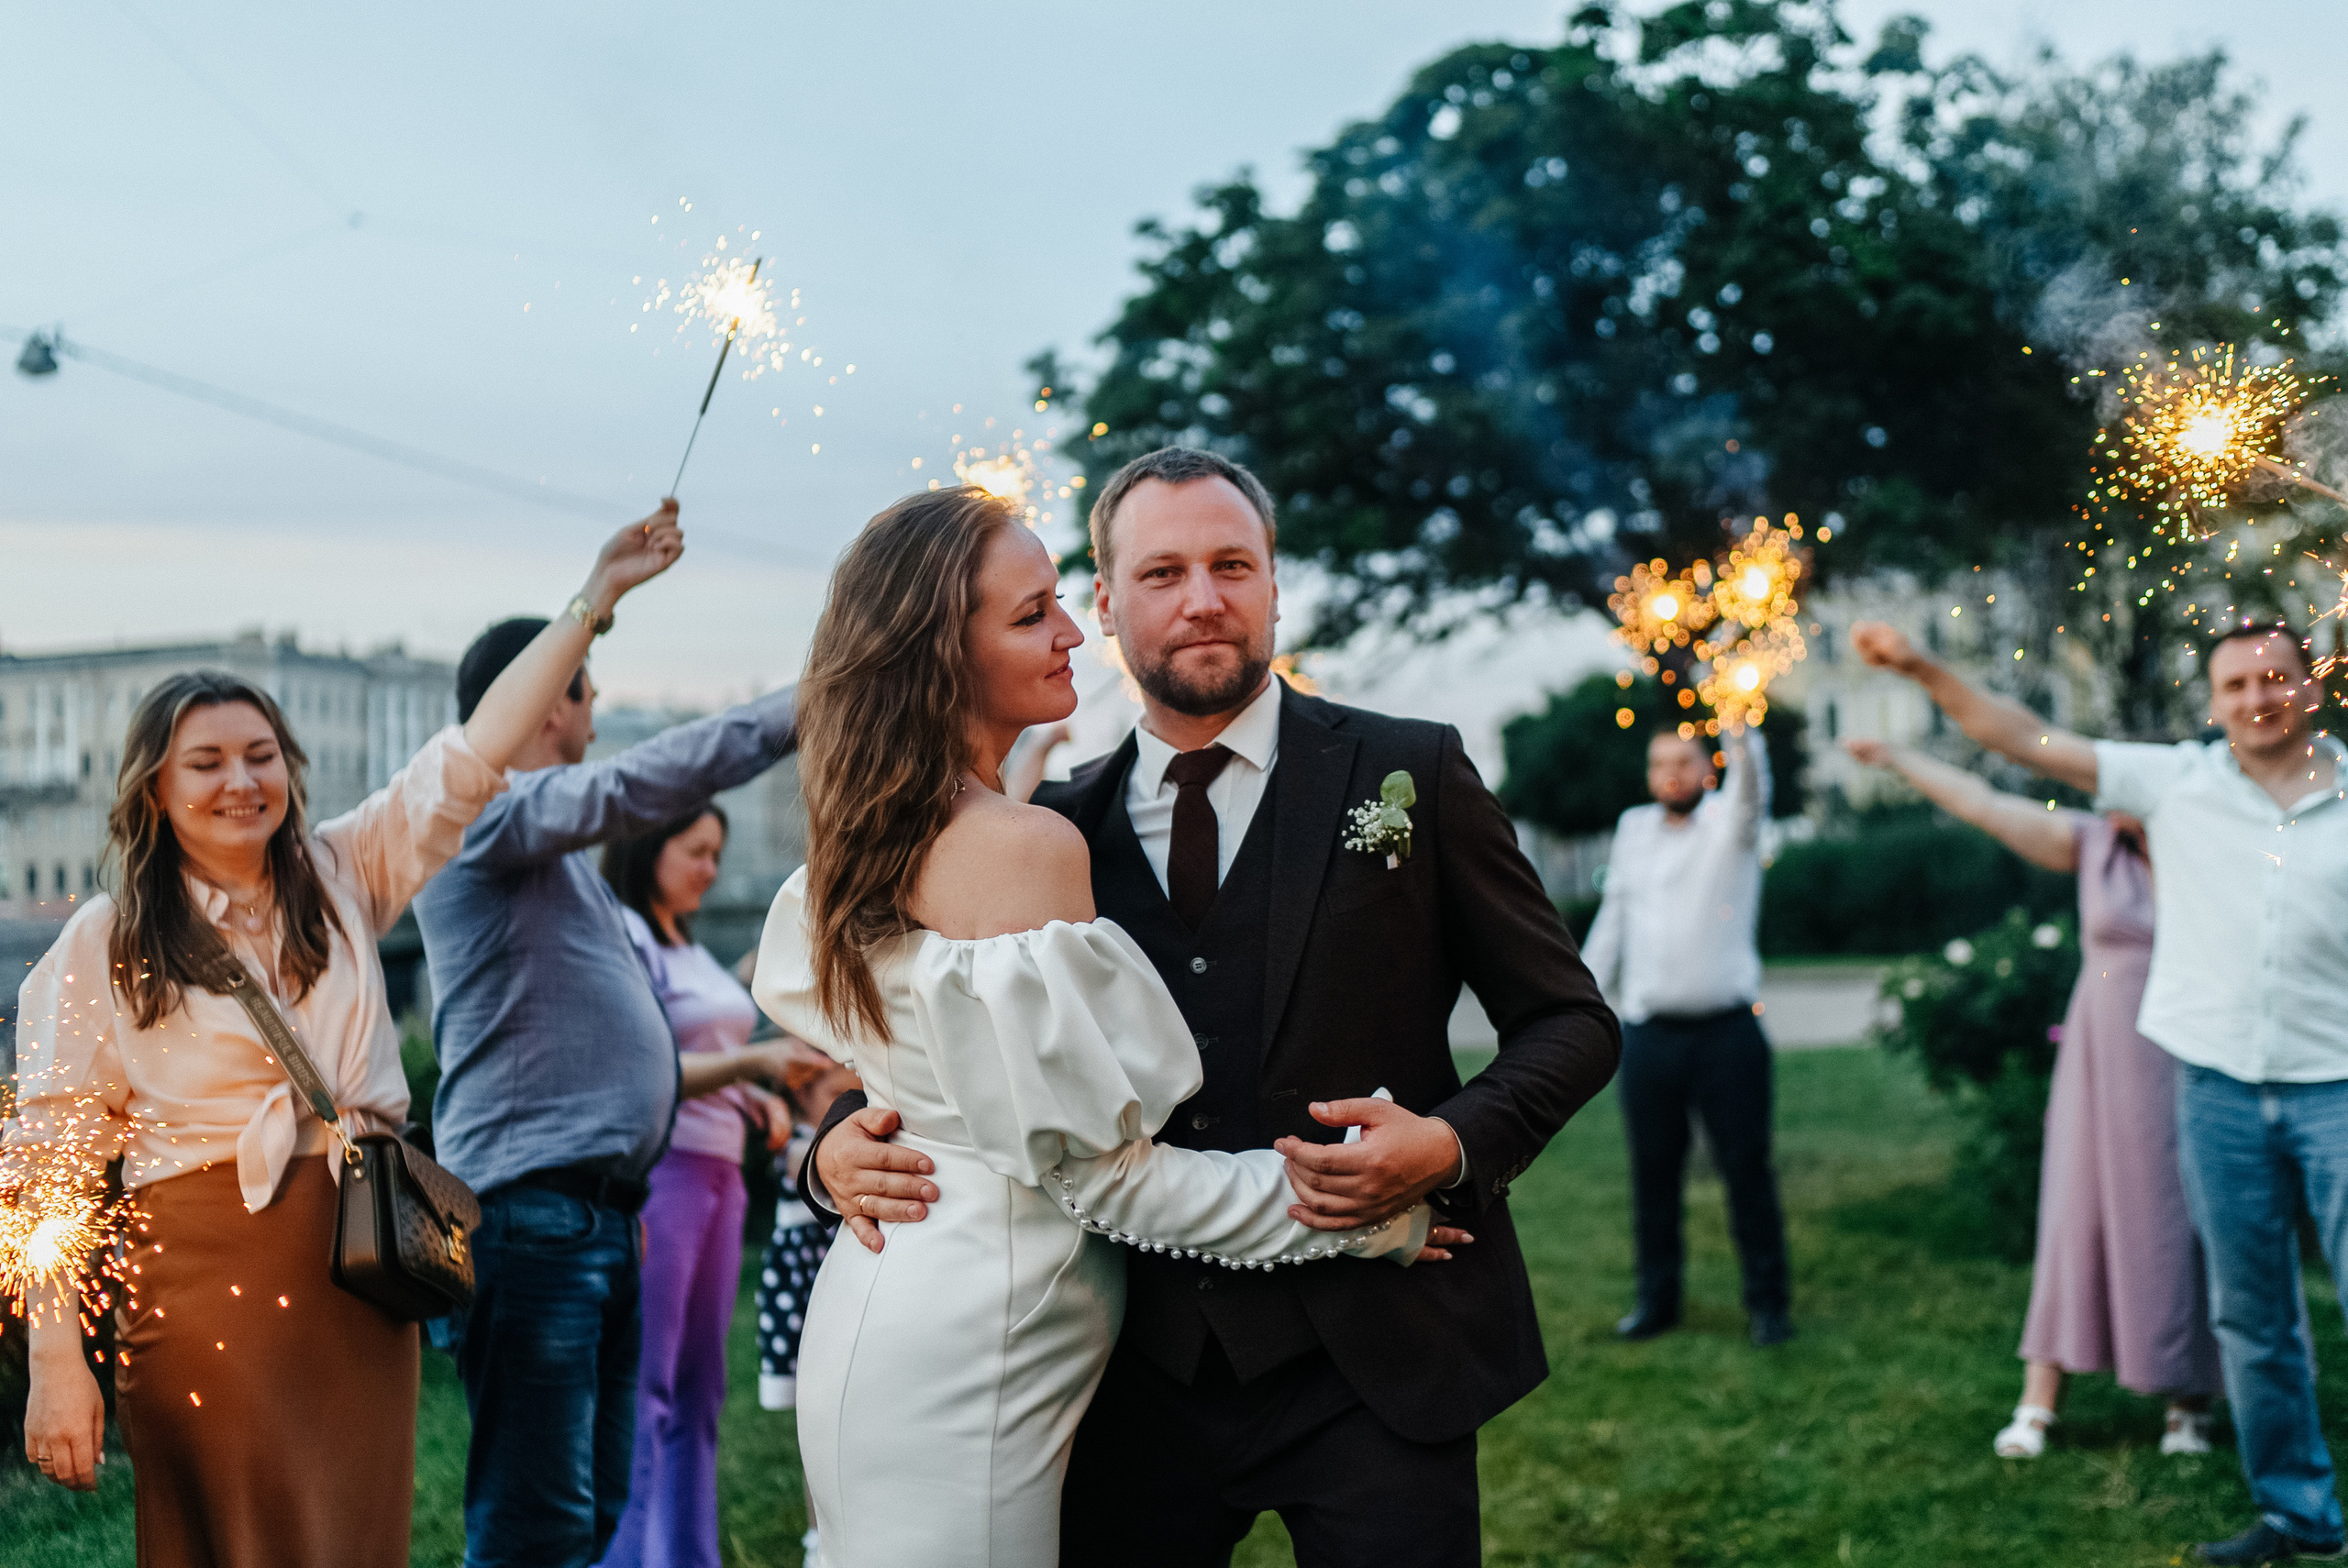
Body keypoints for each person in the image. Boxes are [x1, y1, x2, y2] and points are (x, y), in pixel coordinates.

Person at [803, 448, 1622, 1566]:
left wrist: (1447, 1146)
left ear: (1275, 584)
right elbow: (934, 1053)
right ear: (1105, 602)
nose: (1202, 599)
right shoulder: (1047, 828)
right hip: (1128, 1377)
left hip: (1380, 1366)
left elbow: (1571, 1021)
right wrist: (832, 1150)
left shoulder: (1408, 772)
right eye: (1162, 572)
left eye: (1232, 565)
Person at [8, 508, 685, 1566]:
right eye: (207, 763)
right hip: (198, 1286)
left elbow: (476, 750)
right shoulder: (107, 940)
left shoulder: (344, 872)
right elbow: (45, 1168)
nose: (242, 781)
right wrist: (56, 1354)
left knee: (353, 1539)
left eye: (261, 755)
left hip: (360, 1272)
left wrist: (593, 600)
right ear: (154, 787)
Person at [1852, 616, 2348, 1567]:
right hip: (2214, 1087)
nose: (2256, 697)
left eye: (2273, 679)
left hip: (2334, 1085)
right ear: (2211, 703)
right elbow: (2017, 738)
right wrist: (1917, 665)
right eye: (2235, 684)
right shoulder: (2175, 787)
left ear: (2310, 686)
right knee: (2251, 1314)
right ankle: (2299, 1517)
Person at [412, 531, 801, 1568]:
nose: (593, 713)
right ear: (547, 699)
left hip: (591, 1214)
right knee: (535, 1525)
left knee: (587, 1516)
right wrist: (812, 698)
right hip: (533, 1218)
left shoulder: (553, 855)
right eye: (584, 691)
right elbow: (646, 784)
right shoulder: (477, 814)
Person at [1843, 739, 2221, 1458]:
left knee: (2176, 1212)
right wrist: (1901, 757)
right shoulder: (2090, 843)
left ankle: (2187, 1398)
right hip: (2101, 1052)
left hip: (2181, 1047)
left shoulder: (2207, 849)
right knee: (2074, 1213)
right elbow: (1985, 805)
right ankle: (2039, 1397)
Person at [594, 806, 805, 1568]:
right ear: (648, 847)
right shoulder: (625, 935)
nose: (710, 870)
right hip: (665, 1175)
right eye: (696, 852)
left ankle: (688, 1557)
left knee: (701, 1395)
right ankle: (625, 1557)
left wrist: (752, 1095)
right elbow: (639, 1073)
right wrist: (758, 1066)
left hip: (721, 1176)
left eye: (718, 853)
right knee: (647, 1392)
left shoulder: (683, 940)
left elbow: (698, 1058)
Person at [1580, 723, 1793, 1346]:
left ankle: (1768, 1304)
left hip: (1729, 1036)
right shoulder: (1633, 830)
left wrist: (1740, 725)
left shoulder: (1734, 823)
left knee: (1746, 1170)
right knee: (1653, 1174)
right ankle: (1657, 1299)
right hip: (1649, 1038)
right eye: (1659, 763)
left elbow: (1753, 788)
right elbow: (1613, 922)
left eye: (1683, 760)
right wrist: (1577, 1000)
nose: (1670, 772)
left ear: (1708, 766)